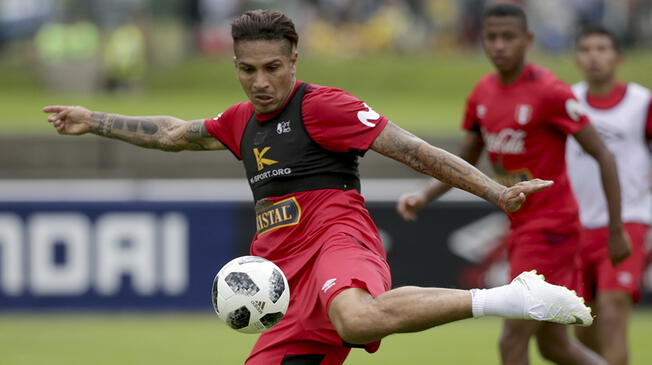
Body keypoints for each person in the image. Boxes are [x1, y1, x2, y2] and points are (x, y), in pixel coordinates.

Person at [45, 9, 593, 365]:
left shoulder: (324, 106)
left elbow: (416, 151)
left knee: (356, 319)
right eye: (248, 69)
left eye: (272, 67)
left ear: (294, 62)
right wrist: (93, 118)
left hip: (337, 237)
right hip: (282, 278)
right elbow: (171, 133)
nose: (261, 82)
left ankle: (513, 297)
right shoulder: (239, 120)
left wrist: (495, 193)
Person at [396, 4, 631, 365]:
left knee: (512, 340)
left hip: (551, 230)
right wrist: (424, 196)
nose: (499, 45)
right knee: (554, 346)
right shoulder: (482, 93)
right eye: (492, 37)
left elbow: (604, 154)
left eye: (509, 37)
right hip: (523, 228)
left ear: (528, 40)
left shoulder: (550, 91)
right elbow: (466, 160)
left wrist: (617, 229)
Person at [567, 25, 652, 365]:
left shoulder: (641, 103)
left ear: (618, 57)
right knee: (583, 325)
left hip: (627, 221)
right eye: (587, 49)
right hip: (575, 226)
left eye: (602, 49)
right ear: (577, 58)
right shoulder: (565, 100)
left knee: (613, 312)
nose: (594, 56)